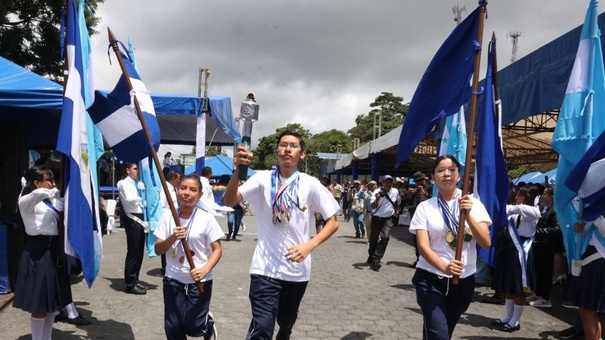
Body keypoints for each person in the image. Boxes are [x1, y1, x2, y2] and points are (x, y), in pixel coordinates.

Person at [223, 130, 340, 340]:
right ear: (277, 151)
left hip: (297, 270)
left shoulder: (310, 183)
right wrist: (237, 171)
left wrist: (309, 246)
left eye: (293, 146)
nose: (287, 149)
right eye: (283, 145)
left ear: (302, 154)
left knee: (286, 318)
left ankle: (285, 331)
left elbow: (332, 222)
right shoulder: (262, 179)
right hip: (264, 268)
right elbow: (230, 201)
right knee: (262, 326)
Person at [409, 155, 491, 340]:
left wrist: (468, 215)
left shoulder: (473, 204)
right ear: (433, 176)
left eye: (452, 169)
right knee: (439, 334)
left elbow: (485, 242)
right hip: (430, 278)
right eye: (441, 170)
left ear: (459, 176)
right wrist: (444, 267)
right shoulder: (425, 207)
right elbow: (422, 246)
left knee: (443, 328)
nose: (447, 174)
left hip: (463, 280)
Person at [154, 173, 223, 340]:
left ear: (199, 194)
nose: (187, 193)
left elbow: (217, 250)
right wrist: (172, 237)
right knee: (173, 327)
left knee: (193, 327)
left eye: (193, 190)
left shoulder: (206, 218)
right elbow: (158, 249)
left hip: (199, 279)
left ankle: (207, 324)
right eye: (183, 188)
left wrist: (204, 270)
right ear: (177, 190)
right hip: (173, 277)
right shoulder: (168, 217)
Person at [12, 166, 72, 339]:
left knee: (53, 304)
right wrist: (51, 190)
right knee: (39, 306)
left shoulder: (53, 198)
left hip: (54, 251)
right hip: (37, 251)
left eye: (52, 179)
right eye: (46, 180)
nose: (51, 183)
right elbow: (36, 195)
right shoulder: (26, 200)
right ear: (36, 182)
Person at [492, 185, 540, 332]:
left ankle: (515, 321)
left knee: (518, 287)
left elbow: (527, 212)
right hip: (510, 250)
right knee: (509, 286)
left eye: (521, 195)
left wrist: (515, 207)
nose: (517, 197)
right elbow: (504, 211)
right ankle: (508, 316)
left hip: (522, 251)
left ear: (528, 197)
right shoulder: (515, 209)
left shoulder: (533, 211)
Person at [117, 162, 148, 295]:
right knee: (133, 251)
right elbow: (130, 199)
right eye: (135, 169)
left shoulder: (138, 183)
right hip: (133, 218)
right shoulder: (124, 183)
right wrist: (143, 199)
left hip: (140, 216)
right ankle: (130, 283)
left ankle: (135, 279)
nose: (138, 171)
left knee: (139, 251)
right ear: (128, 170)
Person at [528, 185, 559, 308]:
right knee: (538, 270)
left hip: (547, 246)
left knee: (545, 272)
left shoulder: (554, 211)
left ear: (551, 197)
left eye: (545, 194)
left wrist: (537, 231)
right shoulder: (543, 208)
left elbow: (556, 229)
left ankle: (545, 298)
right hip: (538, 245)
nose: (542, 196)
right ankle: (538, 293)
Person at [367, 174, 400, 270]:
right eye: (386, 182)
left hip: (388, 218)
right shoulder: (377, 192)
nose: (388, 184)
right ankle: (371, 254)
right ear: (382, 183)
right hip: (377, 218)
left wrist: (396, 210)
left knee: (385, 237)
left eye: (390, 182)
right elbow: (372, 206)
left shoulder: (395, 191)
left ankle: (376, 258)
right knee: (374, 238)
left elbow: (396, 201)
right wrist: (377, 198)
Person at [160, 170, 182, 275]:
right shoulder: (165, 189)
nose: (179, 181)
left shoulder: (173, 189)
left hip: (175, 217)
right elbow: (162, 205)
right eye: (178, 179)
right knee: (168, 241)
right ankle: (165, 266)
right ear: (173, 179)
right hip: (169, 218)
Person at [410, 171, 431, 268]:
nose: (418, 183)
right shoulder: (416, 190)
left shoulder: (431, 188)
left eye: (419, 181)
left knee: (426, 240)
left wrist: (425, 193)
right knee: (416, 240)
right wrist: (410, 195)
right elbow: (410, 202)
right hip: (416, 218)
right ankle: (419, 259)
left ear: (424, 179)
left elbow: (435, 199)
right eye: (416, 181)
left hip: (427, 218)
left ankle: (426, 260)